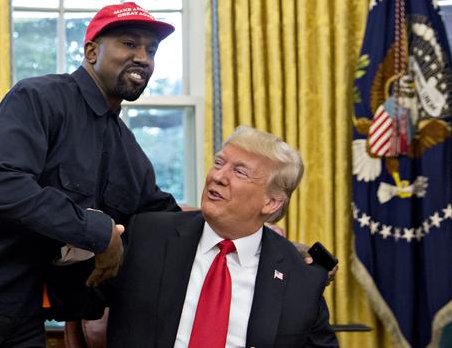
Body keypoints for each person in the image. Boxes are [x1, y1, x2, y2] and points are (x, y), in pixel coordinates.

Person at [0, 2, 180, 348]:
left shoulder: (126, 147)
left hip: (26, 309)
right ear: (91, 51)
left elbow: (160, 217)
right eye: (129, 43)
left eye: (151, 50)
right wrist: (98, 232)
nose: (143, 57)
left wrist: (239, 230)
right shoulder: (39, 97)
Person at [105, 126, 339, 348]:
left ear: (271, 202)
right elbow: (83, 298)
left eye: (239, 171)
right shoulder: (147, 235)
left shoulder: (300, 276)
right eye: (218, 163)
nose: (218, 176)